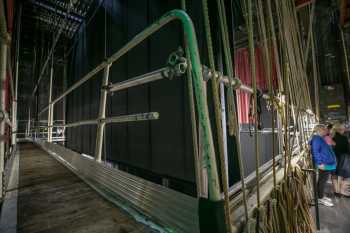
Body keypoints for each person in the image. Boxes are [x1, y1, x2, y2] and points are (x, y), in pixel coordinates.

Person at [310, 124, 337, 206]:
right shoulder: (316, 139)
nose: (326, 131)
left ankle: (320, 196)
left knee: (323, 181)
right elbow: (315, 152)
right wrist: (320, 163)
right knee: (322, 181)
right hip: (324, 163)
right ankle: (320, 198)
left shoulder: (319, 138)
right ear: (320, 130)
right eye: (324, 129)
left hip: (326, 162)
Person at [332, 123, 350, 196]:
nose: (344, 130)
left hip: (334, 158)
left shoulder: (332, 137)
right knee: (344, 175)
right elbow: (347, 150)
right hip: (344, 158)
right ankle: (343, 191)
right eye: (343, 129)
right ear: (340, 130)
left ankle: (337, 191)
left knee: (336, 175)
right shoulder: (343, 138)